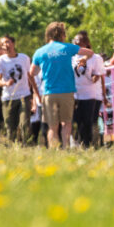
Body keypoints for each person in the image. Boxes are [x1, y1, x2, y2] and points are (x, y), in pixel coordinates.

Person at [31, 21, 82, 149]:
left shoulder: (40, 51)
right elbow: (90, 52)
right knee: (66, 123)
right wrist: (83, 60)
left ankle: (54, 150)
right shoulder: (68, 48)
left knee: (52, 126)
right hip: (67, 91)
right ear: (63, 35)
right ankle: (65, 148)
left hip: (49, 92)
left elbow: (32, 72)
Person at [0, 36, 38, 144]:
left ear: (13, 43)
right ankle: (12, 149)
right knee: (10, 128)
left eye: (7, 42)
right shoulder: (1, 60)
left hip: (24, 96)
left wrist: (35, 93)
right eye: (3, 43)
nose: (5, 45)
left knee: (24, 124)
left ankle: (26, 147)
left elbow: (30, 77)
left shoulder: (24, 58)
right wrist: (5, 83)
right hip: (8, 98)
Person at [71, 31, 107, 148]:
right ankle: (79, 142)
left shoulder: (95, 58)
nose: (75, 43)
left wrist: (104, 96)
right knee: (76, 121)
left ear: (86, 43)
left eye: (78, 41)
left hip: (92, 95)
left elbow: (99, 77)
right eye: (74, 41)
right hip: (75, 95)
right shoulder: (71, 58)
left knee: (90, 121)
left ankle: (90, 144)